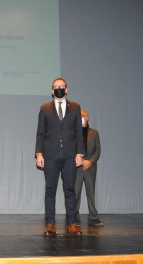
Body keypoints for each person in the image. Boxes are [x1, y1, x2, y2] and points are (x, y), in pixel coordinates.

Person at [35, 77, 84, 236]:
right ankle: (50, 224)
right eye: (56, 87)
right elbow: (40, 133)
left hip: (70, 155)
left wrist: (79, 152)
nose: (59, 89)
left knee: (70, 189)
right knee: (50, 189)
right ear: (52, 90)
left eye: (62, 86)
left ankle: (72, 224)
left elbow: (79, 133)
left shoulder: (75, 107)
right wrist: (38, 153)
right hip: (50, 155)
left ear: (67, 89)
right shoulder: (45, 108)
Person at [74, 109, 103, 226]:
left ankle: (93, 217)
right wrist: (80, 161)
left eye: (82, 115)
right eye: (78, 115)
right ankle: (74, 216)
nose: (80, 117)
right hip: (77, 166)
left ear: (87, 117)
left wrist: (89, 161)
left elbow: (98, 150)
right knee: (75, 192)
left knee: (91, 192)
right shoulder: (73, 132)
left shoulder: (94, 133)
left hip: (90, 167)